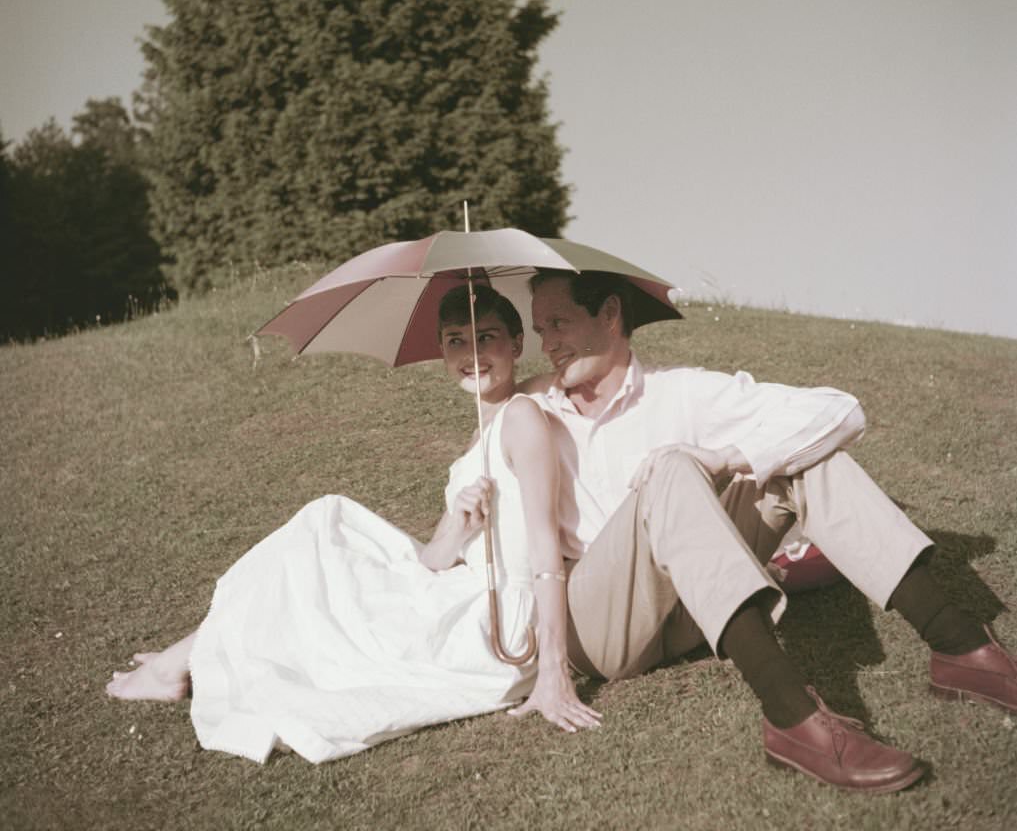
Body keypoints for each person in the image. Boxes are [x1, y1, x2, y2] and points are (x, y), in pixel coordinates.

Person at [524, 269, 1016, 794]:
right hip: (600, 628)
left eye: (559, 322)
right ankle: (790, 716)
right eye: (539, 330)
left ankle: (960, 647)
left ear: (611, 313)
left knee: (799, 456)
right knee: (670, 468)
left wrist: (727, 456)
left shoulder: (680, 394)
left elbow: (839, 411)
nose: (548, 343)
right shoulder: (530, 412)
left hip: (689, 603)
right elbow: (464, 526)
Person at [106, 285, 601, 763]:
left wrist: (553, 669)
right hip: (455, 587)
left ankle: (181, 661)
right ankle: (197, 653)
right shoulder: (481, 432)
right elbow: (434, 559)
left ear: (516, 344)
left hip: (498, 625)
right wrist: (458, 523)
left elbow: (543, 547)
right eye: (456, 342)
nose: (472, 354)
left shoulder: (521, 419)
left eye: (487, 337)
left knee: (325, 537)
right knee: (319, 552)